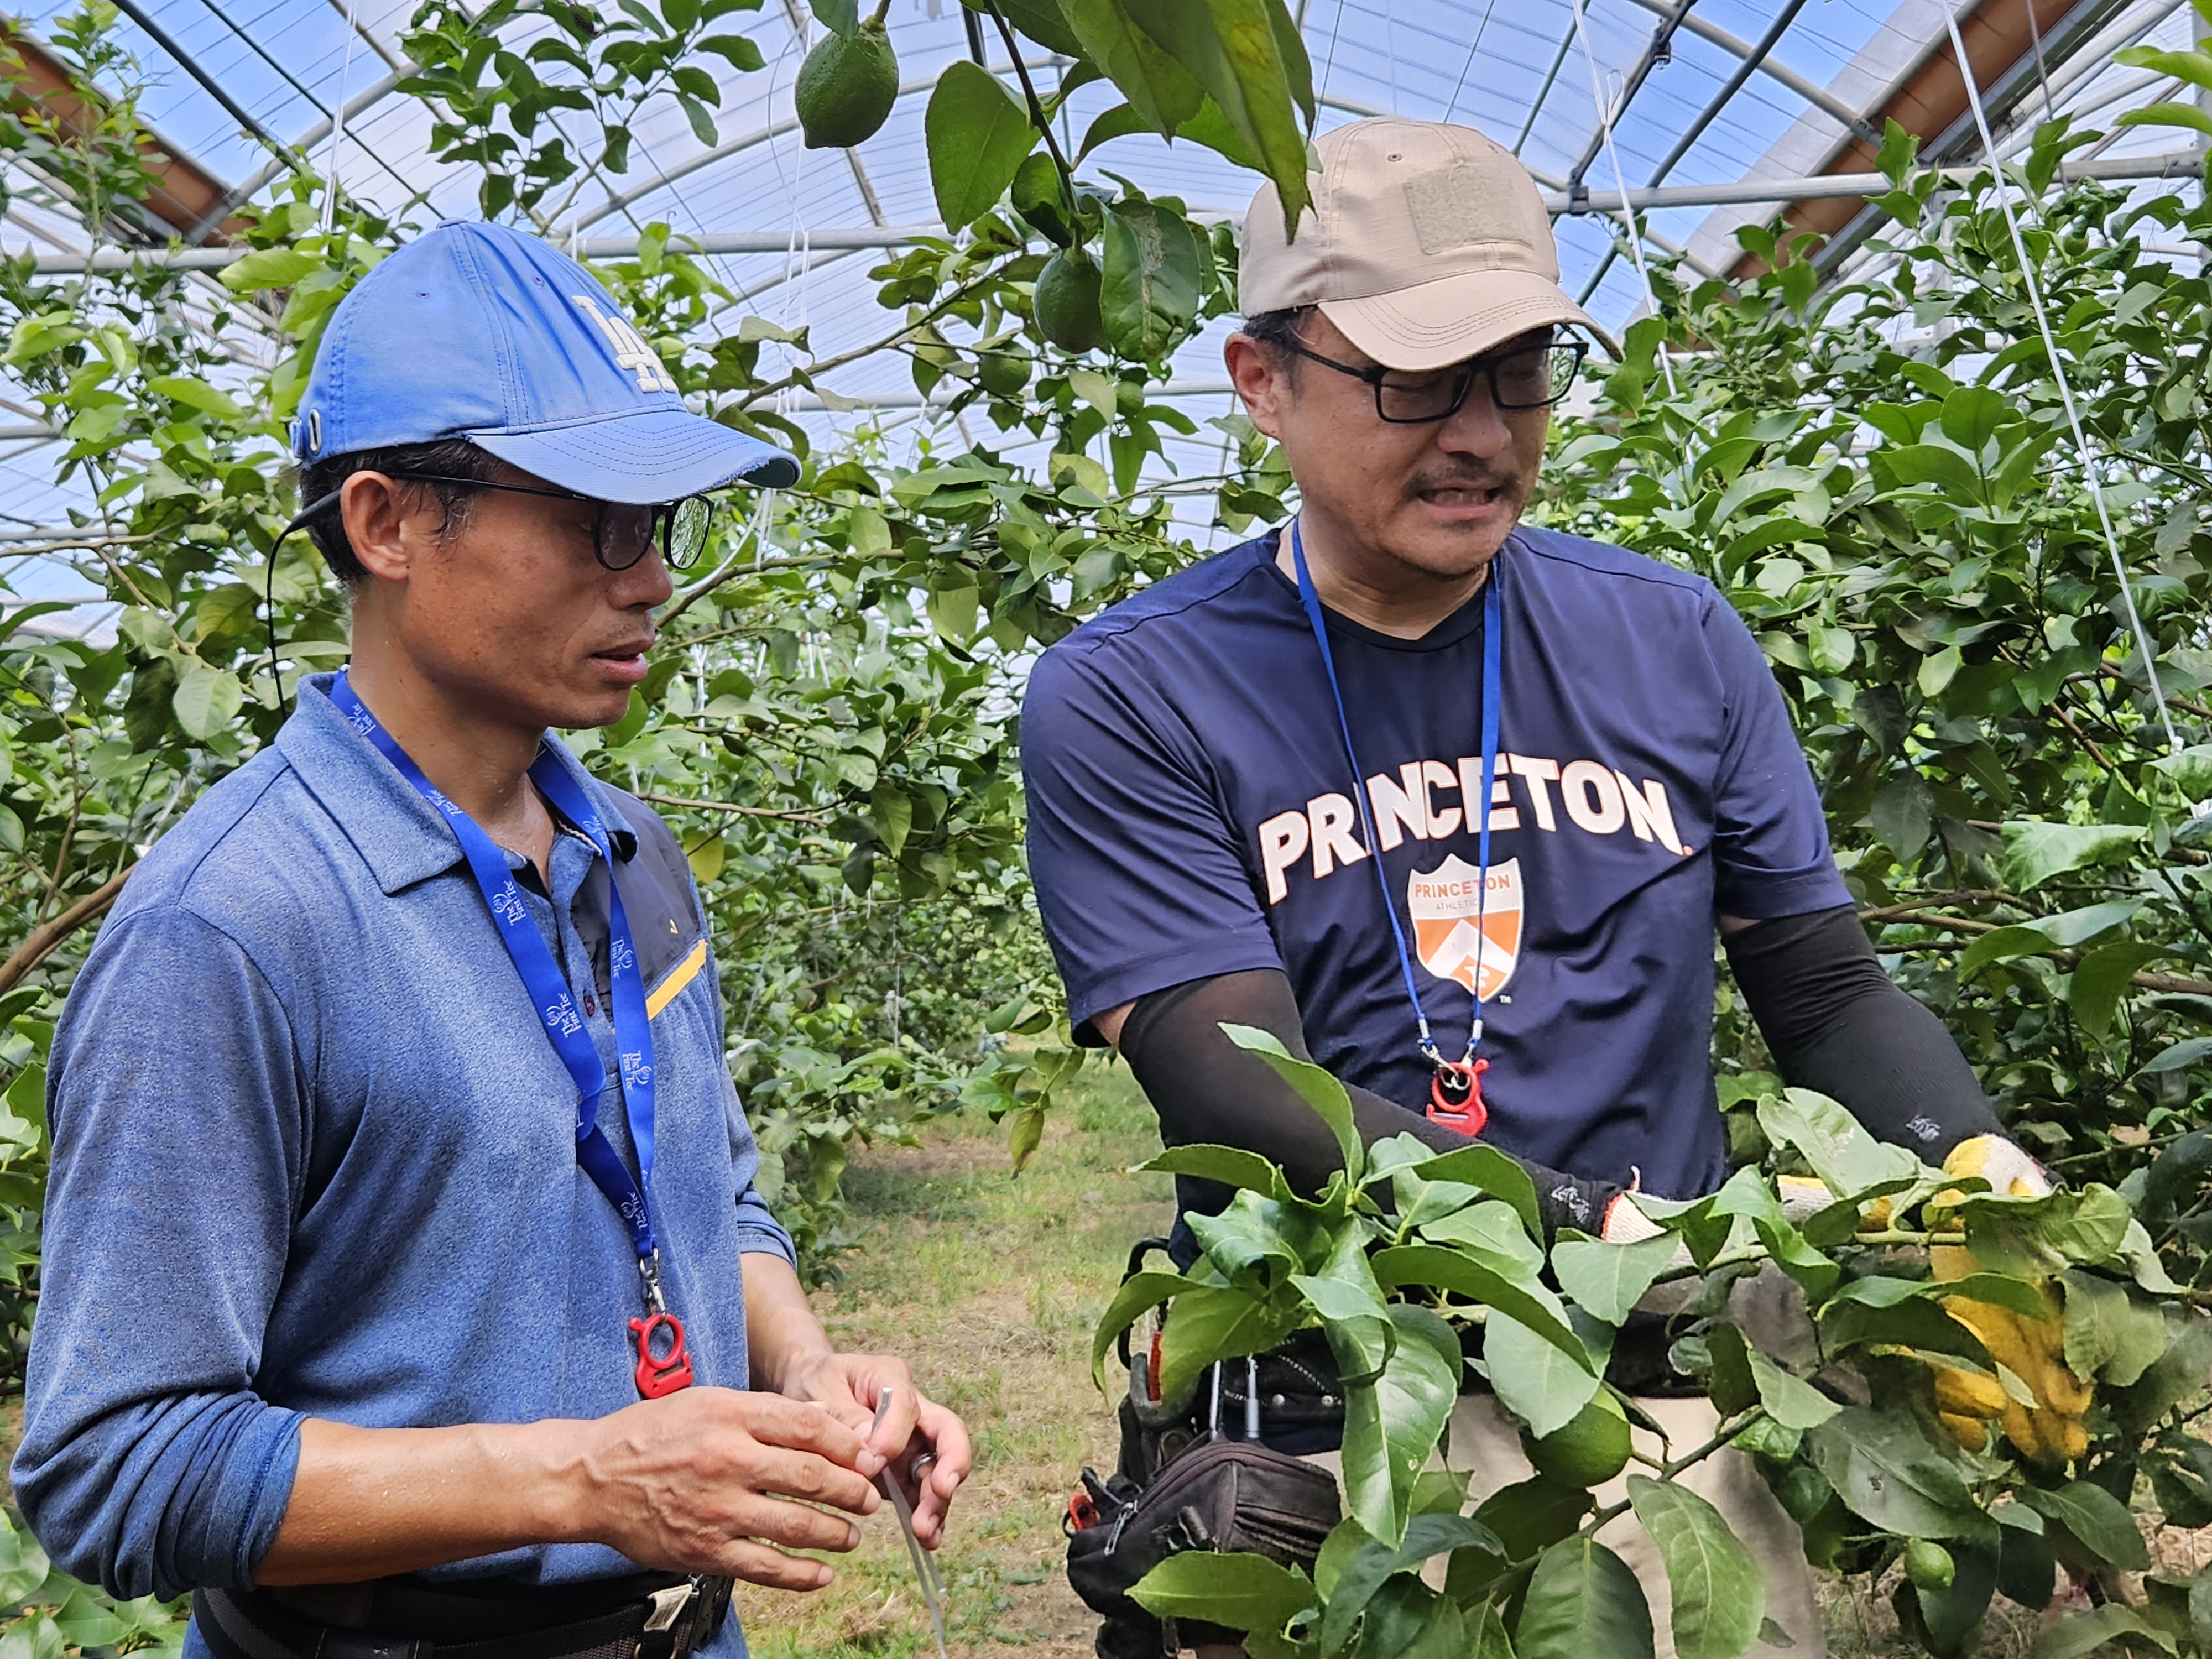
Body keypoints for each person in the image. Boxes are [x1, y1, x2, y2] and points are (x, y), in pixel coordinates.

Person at [1022, 119, 2060, 1659]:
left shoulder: (1672, 640)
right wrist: (1608, 1228)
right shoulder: (1135, 693)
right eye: (1418, 380)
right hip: (1352, 1410)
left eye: (1519, 370)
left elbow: (1827, 987)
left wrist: (1969, 1171)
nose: (1483, 432)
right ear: (1263, 382)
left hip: (1665, 1422)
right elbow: (1237, 1083)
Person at [12, 221, 969, 1659]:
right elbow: (112, 1467)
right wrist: (584, 1476)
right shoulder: (237, 928)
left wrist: (811, 1370)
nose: (648, 580)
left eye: (660, 529)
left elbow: (714, 1200)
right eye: (598, 519)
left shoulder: (633, 857)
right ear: (389, 524)